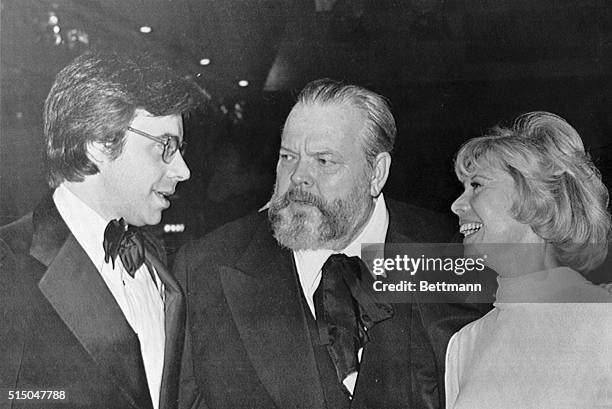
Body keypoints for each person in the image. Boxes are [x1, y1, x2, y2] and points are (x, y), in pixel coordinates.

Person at [174, 78, 482, 409]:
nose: (297, 177)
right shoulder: (206, 267)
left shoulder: (455, 255)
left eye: (324, 161)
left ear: (376, 173)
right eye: (288, 156)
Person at [0, 49, 201, 409]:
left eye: (180, 147)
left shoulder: (152, 259)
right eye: (165, 146)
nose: (183, 170)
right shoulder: (7, 266)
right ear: (99, 143)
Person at [445, 112, 612, 408]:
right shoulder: (463, 345)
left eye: (477, 186)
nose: (457, 205)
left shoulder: (603, 322)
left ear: (535, 196)